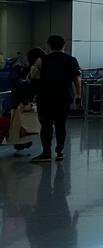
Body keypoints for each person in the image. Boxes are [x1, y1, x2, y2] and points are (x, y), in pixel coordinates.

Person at [32, 34, 81, 163]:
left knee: (46, 125)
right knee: (60, 124)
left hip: (45, 97)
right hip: (64, 97)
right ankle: (60, 151)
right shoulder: (71, 60)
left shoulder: (42, 60)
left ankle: (46, 152)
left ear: (48, 46)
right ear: (64, 45)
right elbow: (77, 79)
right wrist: (78, 95)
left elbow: (33, 78)